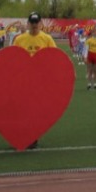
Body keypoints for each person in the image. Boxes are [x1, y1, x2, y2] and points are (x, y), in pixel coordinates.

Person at [13, 12, 58, 149]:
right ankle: (21, 136)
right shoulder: (20, 39)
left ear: (40, 23)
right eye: (31, 22)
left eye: (36, 22)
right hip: (23, 80)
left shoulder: (47, 39)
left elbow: (55, 58)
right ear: (28, 23)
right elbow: (13, 58)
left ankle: (32, 137)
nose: (34, 25)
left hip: (40, 81)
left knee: (35, 110)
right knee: (21, 109)